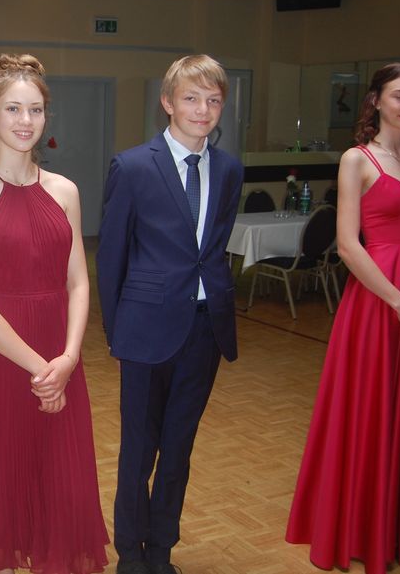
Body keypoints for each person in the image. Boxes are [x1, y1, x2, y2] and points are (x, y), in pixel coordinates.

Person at [0, 54, 109, 574]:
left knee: (57, 480)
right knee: (6, 478)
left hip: (60, 356)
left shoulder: (65, 191)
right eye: (12, 108)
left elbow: (78, 281)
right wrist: (41, 369)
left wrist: (68, 359)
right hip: (1, 359)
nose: (25, 120)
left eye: (35, 109)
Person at [96, 54, 243, 574]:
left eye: (213, 100)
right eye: (191, 98)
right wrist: (117, 332)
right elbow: (111, 256)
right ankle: (129, 553)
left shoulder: (229, 169)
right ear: (167, 102)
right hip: (145, 329)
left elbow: (214, 247)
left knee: (178, 448)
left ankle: (161, 550)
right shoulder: (134, 166)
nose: (202, 110)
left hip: (205, 327)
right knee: (139, 450)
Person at [286, 62, 400, 574]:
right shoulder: (357, 159)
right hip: (378, 300)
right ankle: (361, 528)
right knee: (372, 410)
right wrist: (398, 302)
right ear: (376, 100)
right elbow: (347, 245)